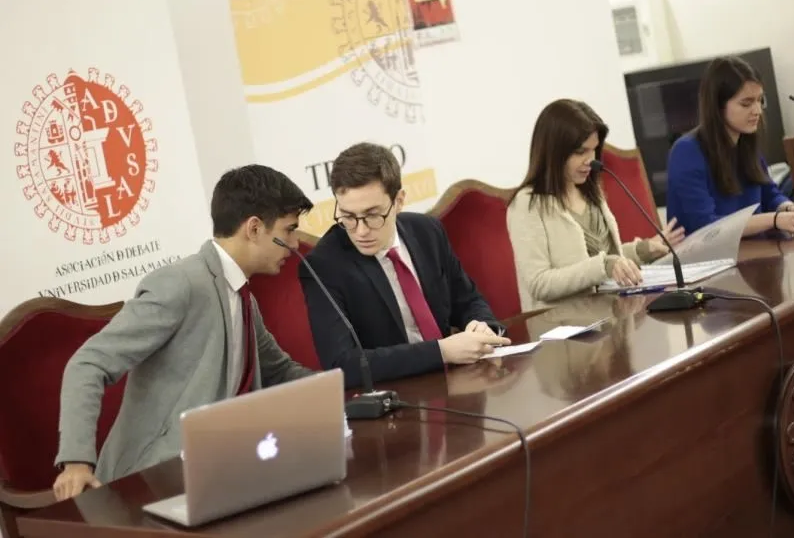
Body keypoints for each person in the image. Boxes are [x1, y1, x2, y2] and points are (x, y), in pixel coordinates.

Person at [53, 165, 316, 501]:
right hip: (150, 483)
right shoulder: (180, 284)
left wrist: (345, 390)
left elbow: (279, 371)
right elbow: (88, 363)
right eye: (289, 230)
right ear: (253, 228)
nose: (295, 244)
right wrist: (77, 462)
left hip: (220, 470)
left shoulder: (243, 297)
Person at [300, 142, 510, 389]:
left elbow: (468, 299)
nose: (361, 230)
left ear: (399, 200)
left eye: (372, 215)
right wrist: (440, 352)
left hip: (458, 382)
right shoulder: (324, 266)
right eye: (348, 216)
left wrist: (482, 325)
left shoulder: (427, 231)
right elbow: (343, 364)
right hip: (395, 394)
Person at [506, 99, 685, 311]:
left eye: (594, 149)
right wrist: (606, 265)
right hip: (565, 324)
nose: (590, 160)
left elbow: (601, 259)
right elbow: (539, 283)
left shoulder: (589, 190)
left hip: (611, 312)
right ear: (553, 152)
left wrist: (642, 250)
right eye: (580, 152)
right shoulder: (527, 204)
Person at [666, 56, 794, 236]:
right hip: (711, 252)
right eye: (746, 103)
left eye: (760, 100)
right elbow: (706, 226)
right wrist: (774, 219)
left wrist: (791, 209)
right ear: (717, 106)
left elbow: (769, 194)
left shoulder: (745, 142)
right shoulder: (686, 151)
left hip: (755, 248)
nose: (757, 111)